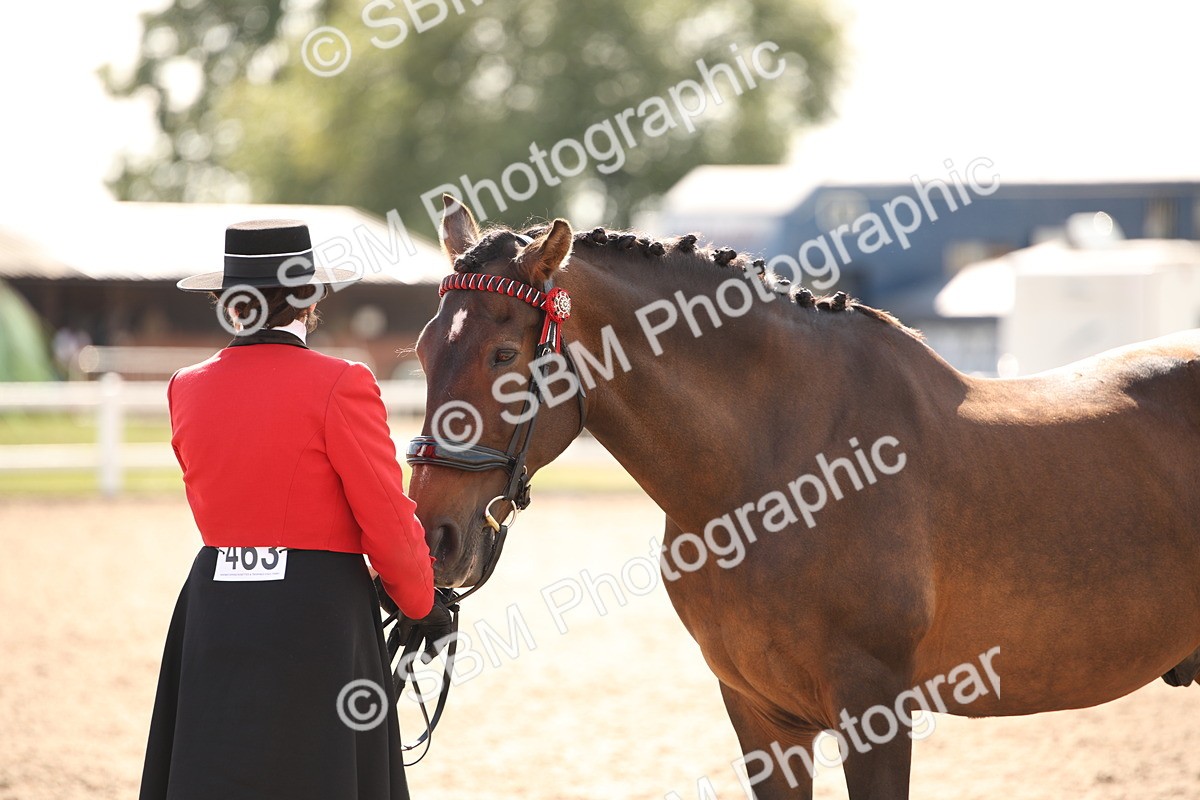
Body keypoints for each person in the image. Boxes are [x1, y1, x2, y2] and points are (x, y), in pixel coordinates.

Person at [140, 219, 453, 800]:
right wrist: (420, 599)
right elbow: (385, 517)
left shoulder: (186, 386)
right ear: (309, 300)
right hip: (317, 614)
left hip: (214, 601)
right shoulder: (342, 383)